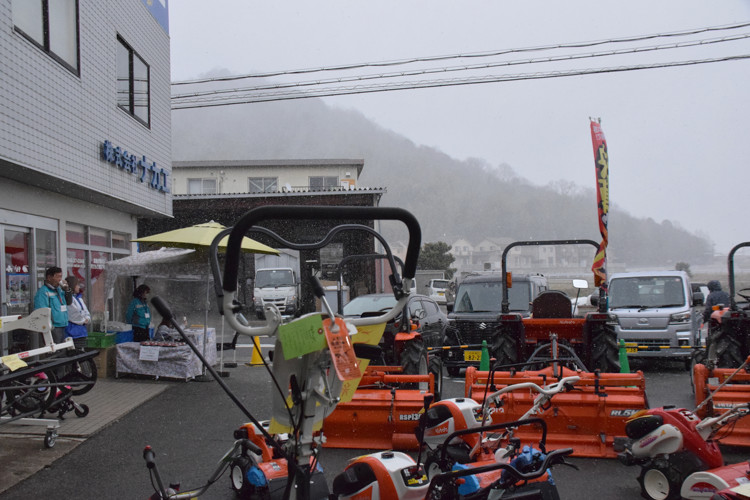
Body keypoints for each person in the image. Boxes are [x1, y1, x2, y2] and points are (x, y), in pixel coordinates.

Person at [33, 266, 72, 344]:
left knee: (62, 351)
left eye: (61, 277)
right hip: (53, 327)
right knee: (55, 351)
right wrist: (49, 326)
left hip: (63, 324)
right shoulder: (43, 292)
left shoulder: (59, 290)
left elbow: (69, 302)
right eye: (57, 277)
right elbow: (42, 311)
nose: (59, 280)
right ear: (49, 277)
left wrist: (67, 290)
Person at [65, 275, 90, 350]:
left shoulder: (79, 298)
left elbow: (85, 311)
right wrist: (83, 320)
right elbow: (73, 314)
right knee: (75, 352)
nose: (79, 287)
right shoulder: (69, 298)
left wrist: (87, 318)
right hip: (72, 332)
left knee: (81, 352)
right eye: (77, 285)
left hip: (81, 331)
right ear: (73, 285)